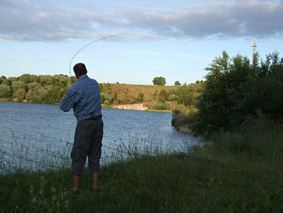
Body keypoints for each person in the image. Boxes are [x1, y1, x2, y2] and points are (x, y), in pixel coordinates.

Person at [59, 63, 103, 193]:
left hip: (85, 124)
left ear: (76, 74)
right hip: (98, 122)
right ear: (86, 71)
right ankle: (95, 187)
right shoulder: (95, 83)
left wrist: (67, 97)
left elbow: (64, 107)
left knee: (79, 153)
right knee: (95, 153)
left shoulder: (75, 88)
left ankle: (76, 188)